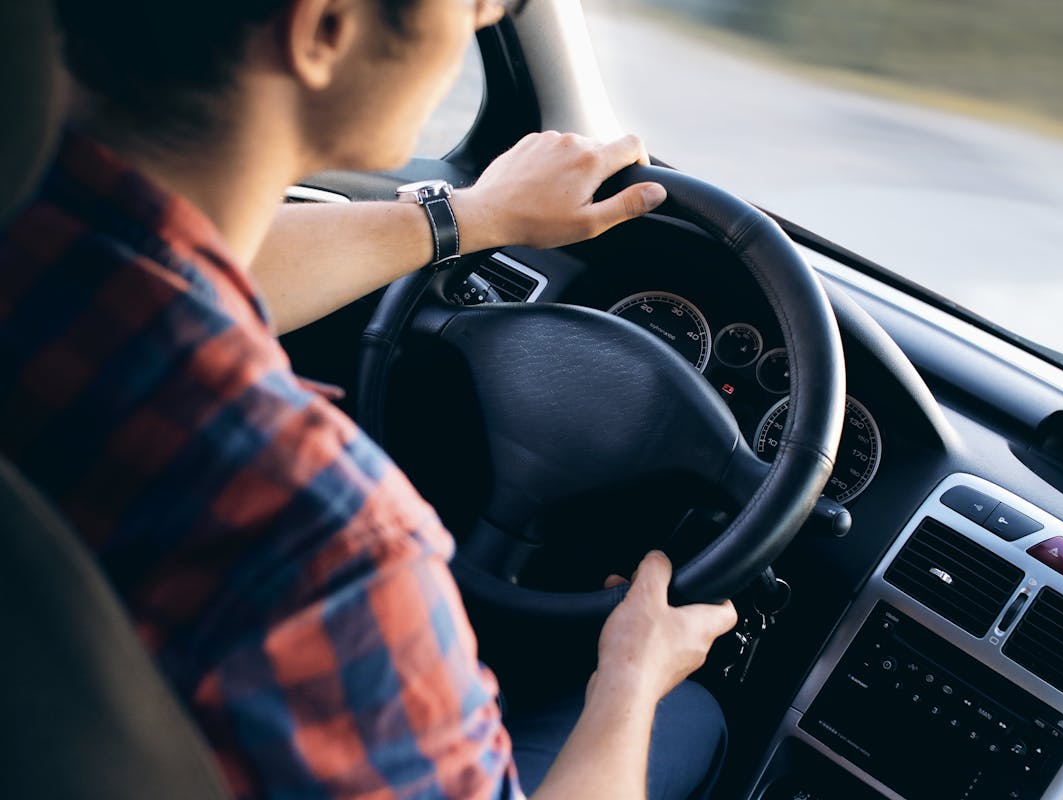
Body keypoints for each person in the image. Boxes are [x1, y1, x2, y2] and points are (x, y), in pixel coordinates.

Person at [0, 0, 739, 798]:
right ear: (325, 28)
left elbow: (191, 269)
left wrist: (474, 216)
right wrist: (629, 676)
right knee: (686, 716)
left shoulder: (38, 239)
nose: (486, 14)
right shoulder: (324, 543)